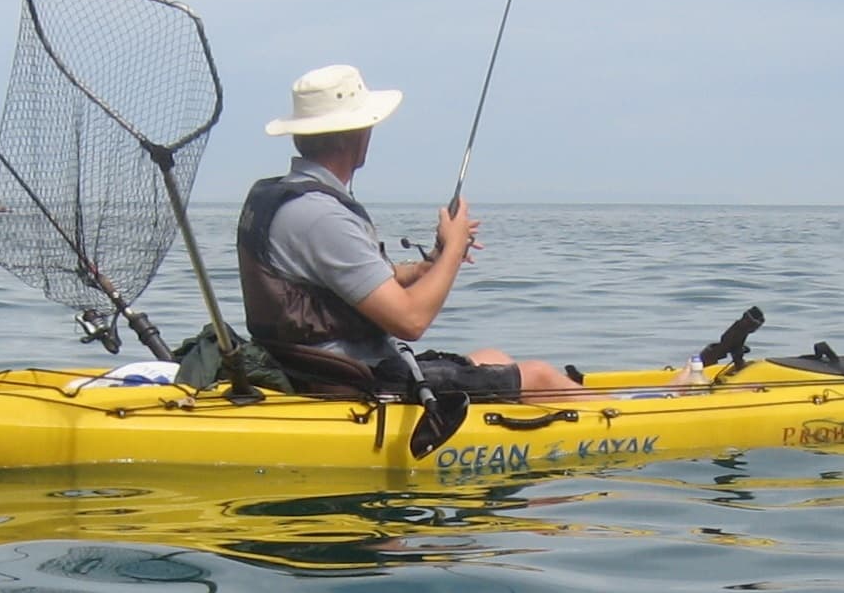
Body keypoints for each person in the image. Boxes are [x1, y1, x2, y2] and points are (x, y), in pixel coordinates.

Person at [236, 64, 592, 401]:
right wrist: (452, 250)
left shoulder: (284, 198)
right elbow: (410, 321)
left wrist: (428, 267)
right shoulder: (320, 215)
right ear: (355, 136)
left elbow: (357, 282)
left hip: (320, 369)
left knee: (493, 357)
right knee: (539, 378)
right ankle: (633, 431)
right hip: (353, 382)